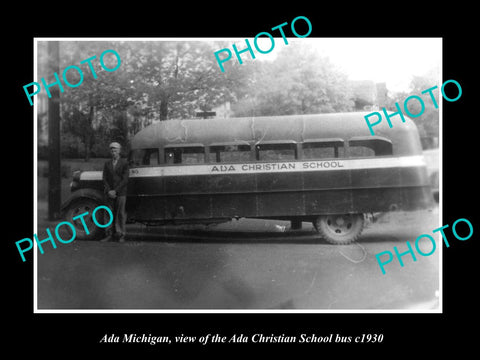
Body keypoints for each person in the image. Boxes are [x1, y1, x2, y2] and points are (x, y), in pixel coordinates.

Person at [101, 142, 129, 242]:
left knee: (120, 214)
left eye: (115, 150)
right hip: (109, 193)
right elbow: (104, 179)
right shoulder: (107, 164)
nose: (113, 152)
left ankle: (121, 234)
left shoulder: (124, 163)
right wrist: (109, 191)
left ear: (119, 151)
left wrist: (115, 191)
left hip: (120, 193)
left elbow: (125, 179)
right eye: (112, 151)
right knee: (108, 213)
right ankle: (109, 234)